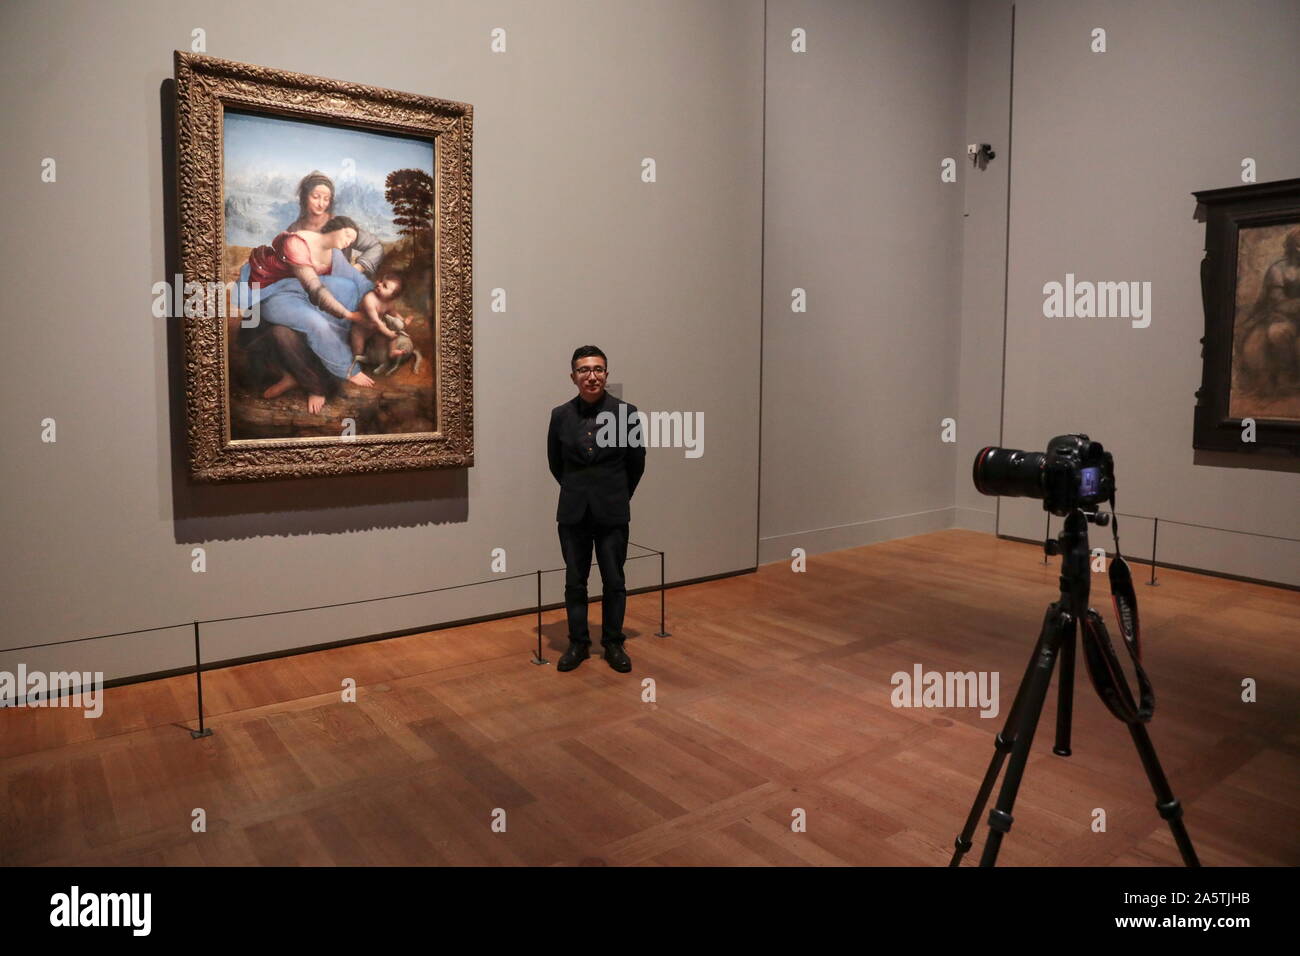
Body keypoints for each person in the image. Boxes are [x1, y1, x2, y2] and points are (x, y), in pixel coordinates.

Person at [547, 346, 646, 673]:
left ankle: (613, 642)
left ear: (606, 373)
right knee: (575, 581)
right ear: (573, 376)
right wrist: (580, 491)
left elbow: (636, 464)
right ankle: (578, 643)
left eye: (598, 369)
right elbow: (556, 464)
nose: (592, 376)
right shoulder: (560, 415)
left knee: (614, 580)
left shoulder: (626, 413)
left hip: (612, 512)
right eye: (585, 370)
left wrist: (616, 496)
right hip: (573, 512)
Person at [243, 216, 377, 413]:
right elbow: (315, 289)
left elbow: (358, 280)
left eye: (353, 239)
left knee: (348, 287)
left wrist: (380, 302)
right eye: (348, 234)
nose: (349, 241)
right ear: (336, 228)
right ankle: (333, 377)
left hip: (302, 295)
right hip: (278, 296)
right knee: (318, 324)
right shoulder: (296, 243)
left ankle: (297, 374)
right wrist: (348, 315)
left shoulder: (335, 254)